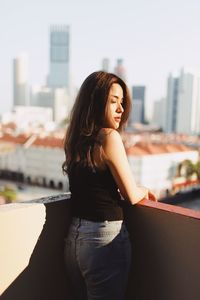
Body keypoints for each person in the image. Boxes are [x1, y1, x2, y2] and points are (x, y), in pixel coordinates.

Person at [62, 71, 156, 300]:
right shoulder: (109, 138)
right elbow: (131, 195)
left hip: (74, 240)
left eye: (122, 102)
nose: (121, 110)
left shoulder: (74, 139)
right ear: (95, 102)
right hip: (103, 240)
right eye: (113, 101)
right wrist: (145, 190)